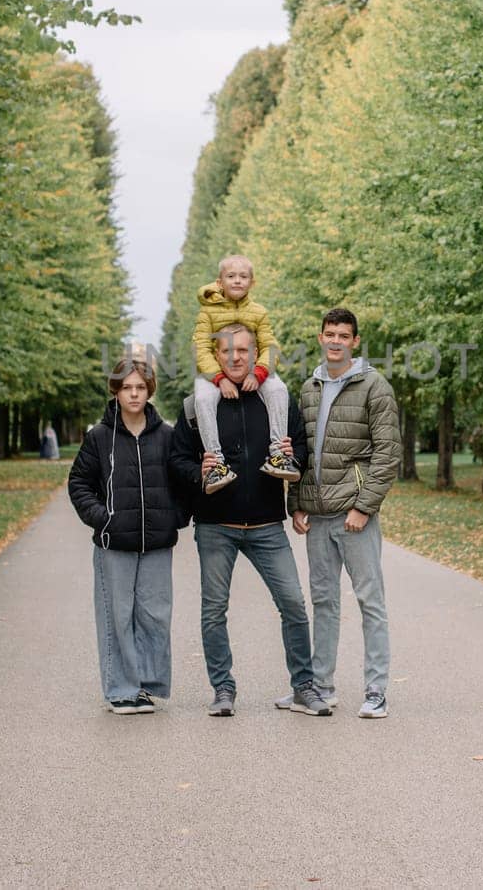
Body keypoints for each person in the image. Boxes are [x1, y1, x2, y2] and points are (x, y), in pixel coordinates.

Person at [171, 323, 330, 717]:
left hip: (265, 526)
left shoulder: (274, 399)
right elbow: (177, 459)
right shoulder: (198, 404)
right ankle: (223, 689)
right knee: (213, 611)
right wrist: (199, 470)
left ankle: (303, 686)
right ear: (216, 354)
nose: (235, 357)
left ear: (255, 352)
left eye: (243, 350)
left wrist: (294, 453)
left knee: (293, 603)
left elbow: (302, 450)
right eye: (227, 351)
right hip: (215, 525)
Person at [282, 308, 401, 719]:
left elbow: (388, 454)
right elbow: (298, 447)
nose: (336, 340)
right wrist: (296, 502)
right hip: (317, 516)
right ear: (320, 337)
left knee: (371, 601)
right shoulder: (309, 387)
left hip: (354, 514)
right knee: (325, 603)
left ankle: (376, 691)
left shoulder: (374, 386)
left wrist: (363, 506)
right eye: (329, 333)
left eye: (343, 335)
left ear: (355, 341)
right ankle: (322, 687)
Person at [67, 357, 184, 714]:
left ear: (149, 391)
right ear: (116, 391)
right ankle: (121, 689)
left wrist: (175, 518)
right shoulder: (99, 437)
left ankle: (144, 687)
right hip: (113, 543)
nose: (134, 394)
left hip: (157, 544)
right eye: (127, 387)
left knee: (154, 615)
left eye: (140, 387)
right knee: (116, 615)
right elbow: (79, 484)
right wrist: (103, 519)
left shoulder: (166, 435)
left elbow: (184, 480)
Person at [190, 254, 300, 494]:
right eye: (231, 276)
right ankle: (216, 465)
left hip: (253, 369)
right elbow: (201, 349)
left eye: (243, 276)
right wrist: (219, 379)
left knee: (279, 389)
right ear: (220, 282)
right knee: (203, 399)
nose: (237, 280)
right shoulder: (207, 313)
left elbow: (270, 346)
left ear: (252, 282)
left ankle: (279, 455)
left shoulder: (258, 312)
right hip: (214, 373)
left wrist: (259, 373)